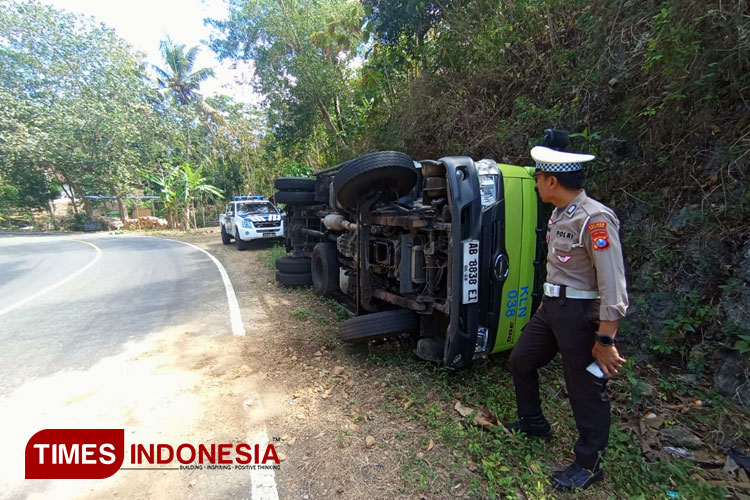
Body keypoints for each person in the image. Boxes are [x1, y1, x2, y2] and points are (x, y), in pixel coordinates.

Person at [506, 139, 629, 490]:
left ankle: (589, 464)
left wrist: (605, 340)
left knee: (584, 387)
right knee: (521, 360)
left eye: (539, 176)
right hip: (552, 308)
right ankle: (533, 422)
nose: (536, 182)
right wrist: (546, 303)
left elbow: (613, 286)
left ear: (552, 182)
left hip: (580, 315)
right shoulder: (560, 214)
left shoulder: (596, 219)